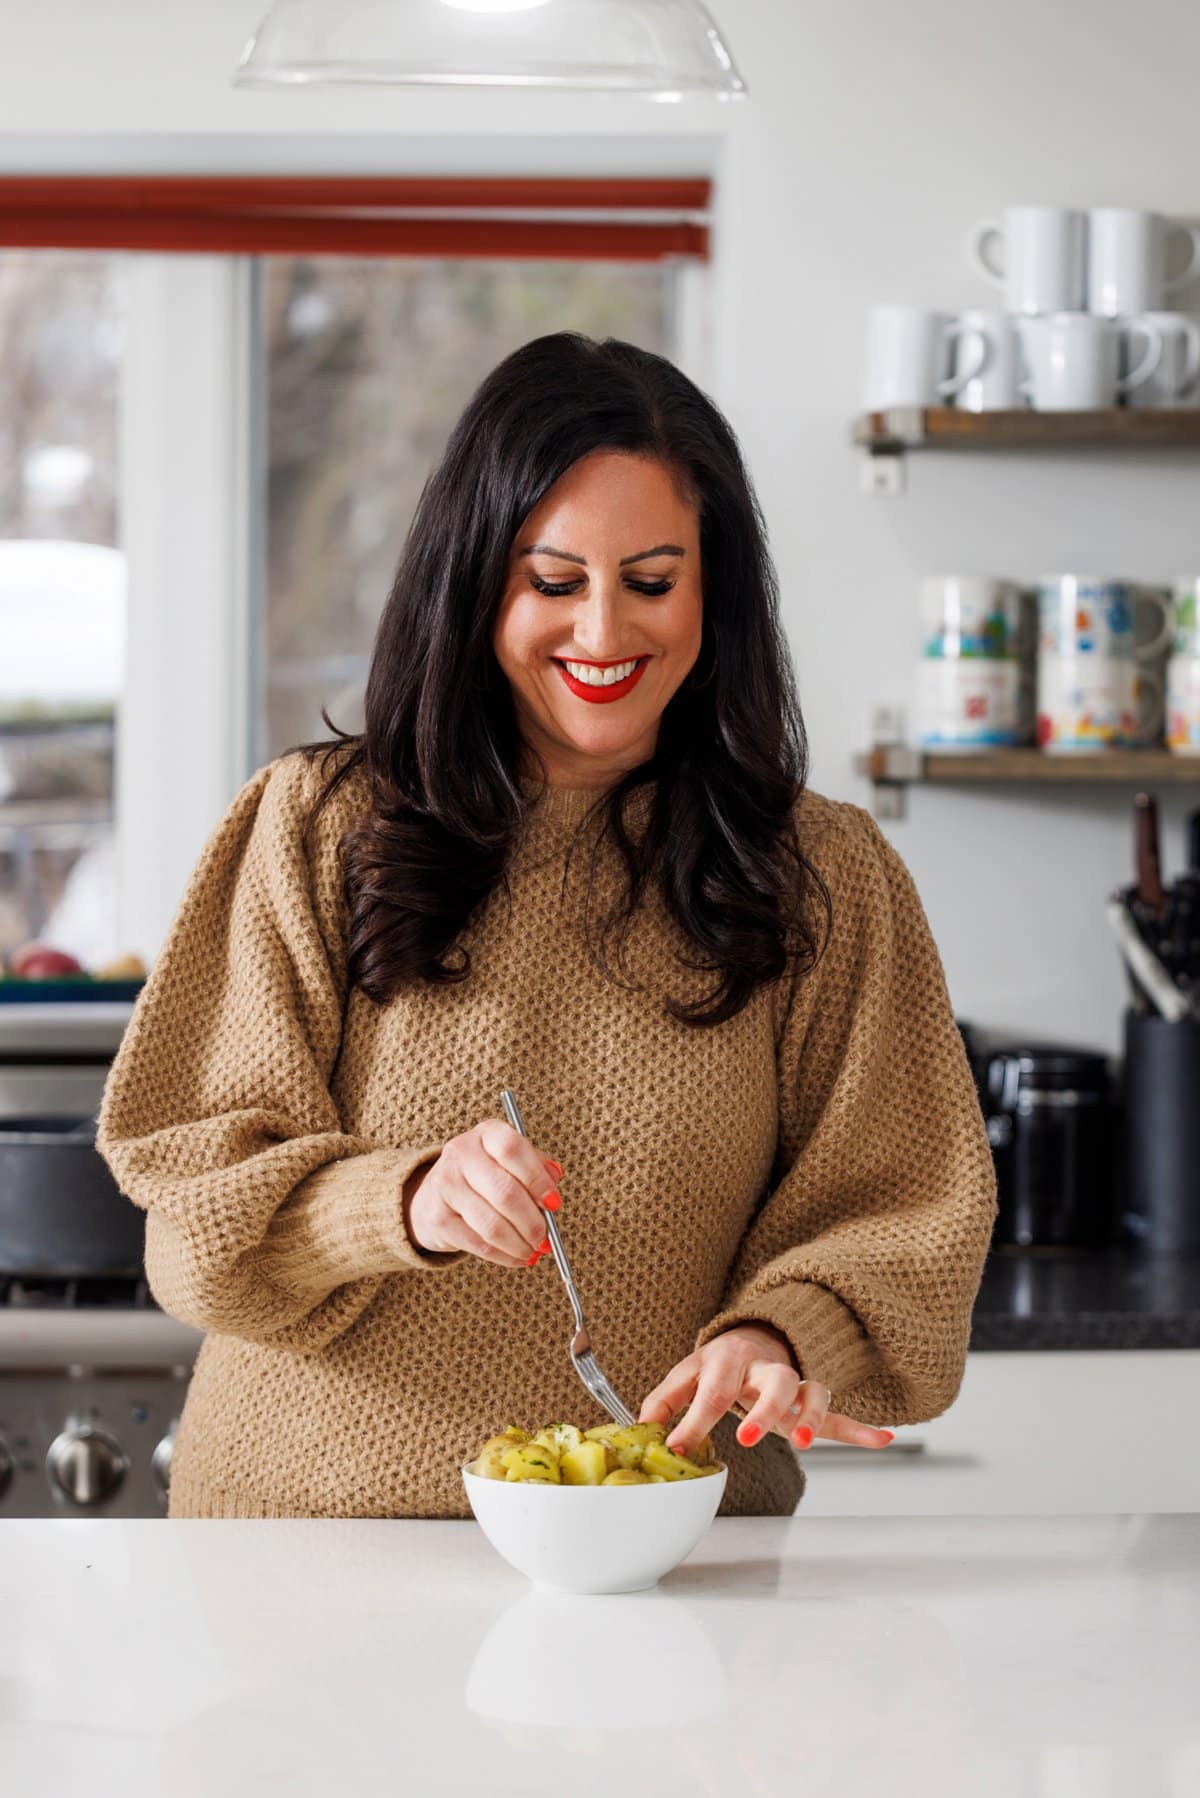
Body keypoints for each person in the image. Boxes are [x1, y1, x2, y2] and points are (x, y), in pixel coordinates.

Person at [96, 332, 997, 1519]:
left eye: (654, 581)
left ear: (714, 589)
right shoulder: (314, 827)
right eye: (555, 583)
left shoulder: (824, 875)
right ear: (476, 583)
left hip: (673, 1556)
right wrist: (400, 1201)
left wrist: (786, 1329)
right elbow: (199, 1226)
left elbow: (909, 1203)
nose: (604, 634)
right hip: (304, 1545)